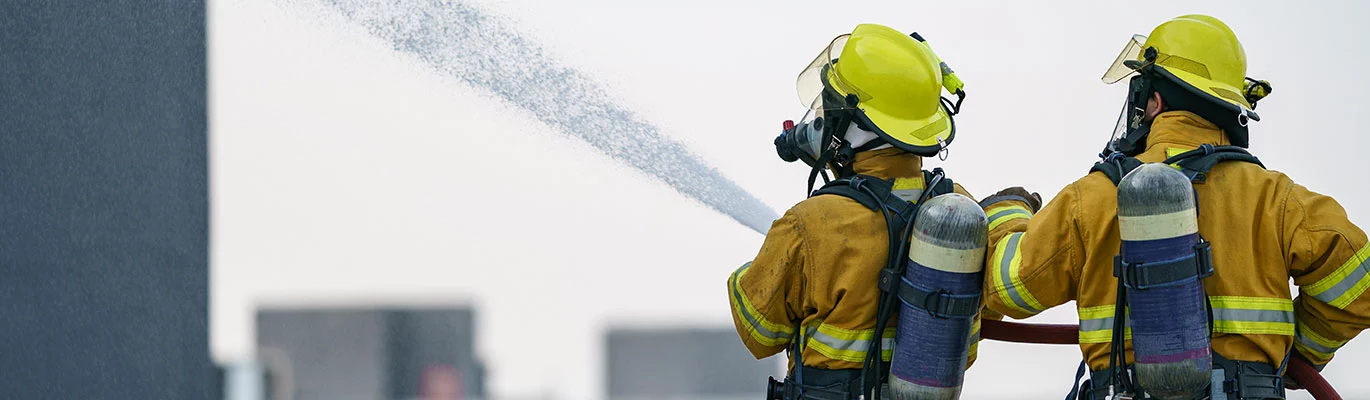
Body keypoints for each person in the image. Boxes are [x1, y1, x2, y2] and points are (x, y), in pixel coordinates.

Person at [978, 15, 1370, 400]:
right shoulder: (1277, 199)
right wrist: (1299, 353)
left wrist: (1006, 211)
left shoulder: (1094, 196)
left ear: (1154, 101)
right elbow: (1359, 289)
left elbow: (1011, 290)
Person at [728, 23, 992, 400]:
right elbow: (968, 340)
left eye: (832, 103)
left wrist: (760, 264)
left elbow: (759, 333)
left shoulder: (809, 224)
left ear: (858, 121)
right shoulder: (960, 209)